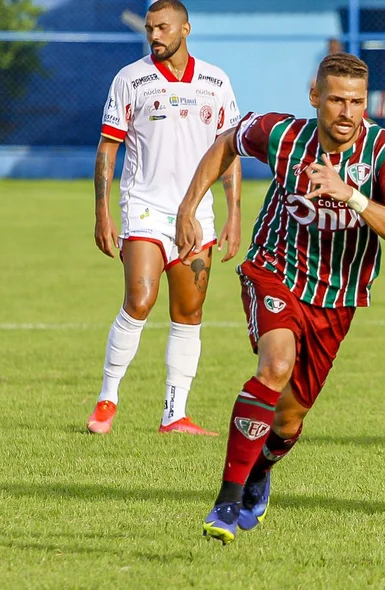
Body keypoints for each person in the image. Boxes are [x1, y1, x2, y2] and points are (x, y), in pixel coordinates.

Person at [176, 53, 385, 545]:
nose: (346, 112)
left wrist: (349, 194)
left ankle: (262, 466)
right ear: (315, 97)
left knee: (288, 419)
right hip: (275, 271)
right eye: (335, 100)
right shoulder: (283, 135)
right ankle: (226, 500)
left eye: (356, 101)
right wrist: (190, 205)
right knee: (275, 365)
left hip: (338, 297)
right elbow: (227, 142)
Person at [87, 0, 242, 436]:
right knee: (140, 299)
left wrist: (234, 215)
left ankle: (175, 413)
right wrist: (102, 213)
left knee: (189, 313)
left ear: (185, 29)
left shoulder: (216, 82)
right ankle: (107, 398)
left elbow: (229, 152)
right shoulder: (130, 80)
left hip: (197, 216)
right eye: (150, 28)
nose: (154, 35)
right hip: (144, 209)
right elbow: (108, 148)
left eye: (163, 28)